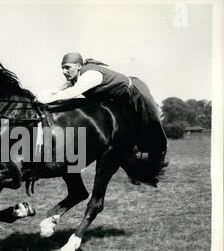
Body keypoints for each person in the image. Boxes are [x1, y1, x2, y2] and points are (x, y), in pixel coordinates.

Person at [36, 52, 168, 166]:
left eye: (67, 68)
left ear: (79, 66)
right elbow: (58, 91)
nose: (64, 71)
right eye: (62, 68)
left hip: (137, 92)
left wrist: (46, 100)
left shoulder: (91, 75)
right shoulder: (74, 78)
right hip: (115, 96)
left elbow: (73, 92)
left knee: (152, 123)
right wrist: (39, 94)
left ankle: (160, 150)